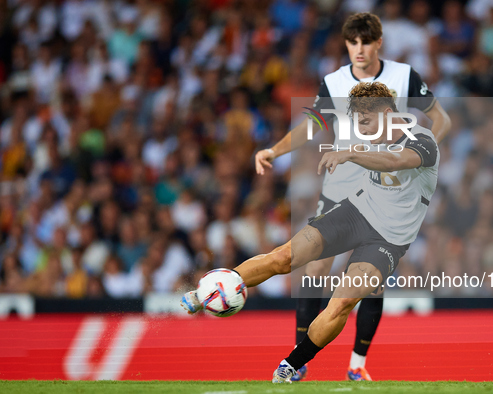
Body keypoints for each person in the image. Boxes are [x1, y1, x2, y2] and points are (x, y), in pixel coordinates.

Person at [181, 81, 440, 383]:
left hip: (389, 239)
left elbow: (395, 160)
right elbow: (312, 126)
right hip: (354, 213)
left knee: (342, 302)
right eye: (358, 122)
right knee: (284, 258)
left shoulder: (423, 140)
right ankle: (207, 291)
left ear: (386, 112)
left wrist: (350, 154)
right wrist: (275, 150)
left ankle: (291, 366)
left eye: (366, 122)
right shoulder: (371, 135)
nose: (363, 129)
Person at [254, 12, 450, 381]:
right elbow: (312, 125)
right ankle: (299, 360)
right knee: (313, 269)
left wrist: (423, 155)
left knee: (366, 280)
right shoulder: (334, 81)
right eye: (352, 42)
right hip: (342, 184)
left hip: (387, 188)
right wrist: (274, 151)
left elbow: (441, 119)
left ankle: (357, 364)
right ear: (346, 44)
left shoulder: (404, 76)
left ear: (378, 43)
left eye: (365, 41)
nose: (358, 49)